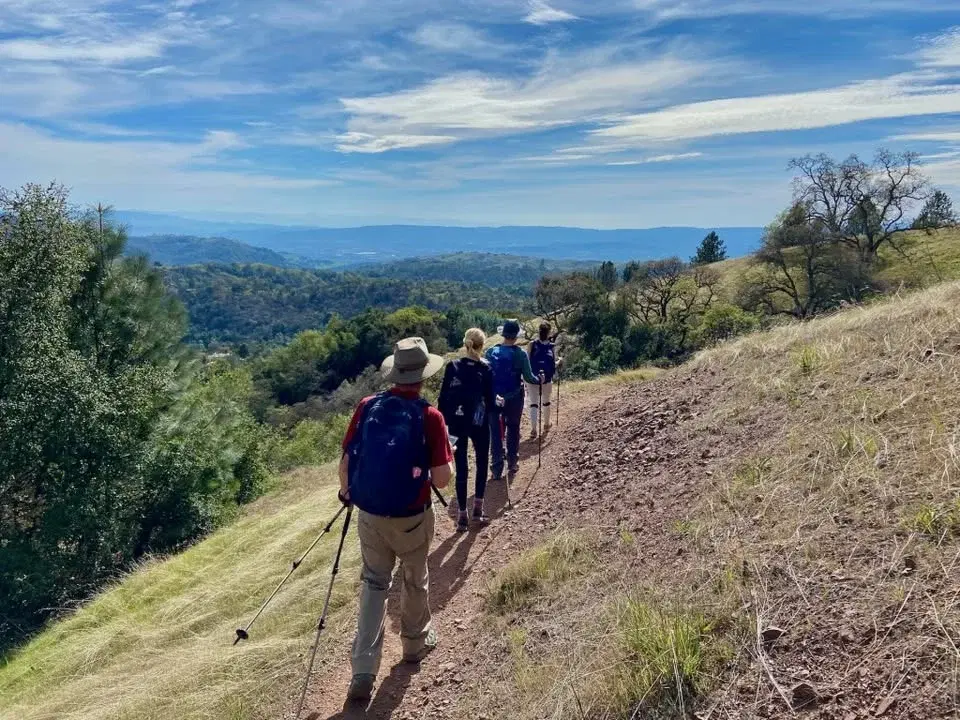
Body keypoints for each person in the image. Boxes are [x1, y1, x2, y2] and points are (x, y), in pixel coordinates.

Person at [338, 337, 453, 705]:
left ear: (395, 373)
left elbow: (346, 460)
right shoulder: (429, 416)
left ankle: (363, 669)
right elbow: (442, 479)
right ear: (422, 376)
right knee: (414, 576)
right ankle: (414, 644)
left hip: (369, 514)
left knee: (373, 584)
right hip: (412, 517)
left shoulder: (367, 405)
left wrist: (347, 492)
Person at [437, 328, 499, 532]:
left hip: (455, 422)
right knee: (482, 462)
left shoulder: (452, 366)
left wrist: (442, 424)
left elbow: (443, 398)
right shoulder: (486, 369)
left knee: (461, 466)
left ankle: (462, 515)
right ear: (482, 346)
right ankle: (478, 510)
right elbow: (490, 403)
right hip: (478, 422)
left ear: (465, 345)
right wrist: (500, 404)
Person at [485, 319, 541, 482]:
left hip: (495, 398)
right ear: (516, 336)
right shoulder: (521, 354)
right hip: (514, 396)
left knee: (495, 432)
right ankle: (512, 462)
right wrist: (541, 379)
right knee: (514, 428)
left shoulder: (490, 352)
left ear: (503, 334)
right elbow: (529, 377)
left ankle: (496, 468)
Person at [527, 322, 562, 439]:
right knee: (546, 402)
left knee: (533, 403)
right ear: (549, 332)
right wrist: (560, 361)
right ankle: (546, 425)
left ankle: (533, 430)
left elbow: (527, 361)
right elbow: (553, 364)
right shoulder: (551, 346)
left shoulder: (532, 344)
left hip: (532, 378)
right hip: (547, 379)